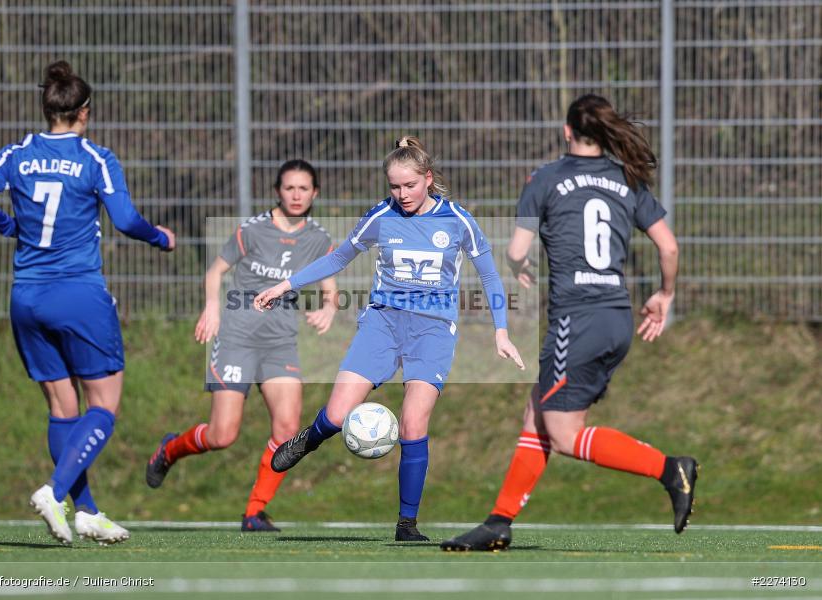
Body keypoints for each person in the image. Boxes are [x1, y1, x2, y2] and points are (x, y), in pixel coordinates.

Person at [440, 94, 698, 552]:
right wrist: (665, 294)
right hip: (616, 317)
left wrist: (520, 264)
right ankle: (499, 520)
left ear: (566, 132)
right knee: (537, 412)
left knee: (562, 432)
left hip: (575, 320)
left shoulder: (545, 179)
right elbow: (670, 247)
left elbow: (518, 250)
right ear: (604, 133)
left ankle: (669, 469)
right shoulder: (627, 178)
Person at [253, 136, 525, 541]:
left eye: (410, 186)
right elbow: (338, 257)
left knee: (413, 424)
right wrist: (284, 285)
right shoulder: (381, 215)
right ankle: (310, 438)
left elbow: (488, 274)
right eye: (394, 187)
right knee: (336, 415)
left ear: (427, 180)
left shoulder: (458, 220)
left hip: (433, 330)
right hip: (383, 322)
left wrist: (500, 330)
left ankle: (406, 525)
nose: (402, 194)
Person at [0, 61, 175, 546]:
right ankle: (55, 492)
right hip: (78, 294)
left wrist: (9, 226)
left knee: (62, 406)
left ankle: (88, 512)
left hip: (26, 296)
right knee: (105, 404)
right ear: (85, 112)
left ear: (48, 110)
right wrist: (160, 237)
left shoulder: (17, 153)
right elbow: (124, 219)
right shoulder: (95, 157)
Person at [145, 160, 337, 531]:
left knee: (286, 430)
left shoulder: (319, 239)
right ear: (277, 191)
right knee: (222, 435)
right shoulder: (253, 230)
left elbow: (330, 291)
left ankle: (254, 512)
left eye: (303, 188)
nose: (296, 195)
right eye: (289, 188)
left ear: (315, 193)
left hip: (280, 343)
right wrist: (212, 309)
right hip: (237, 338)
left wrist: (328, 309)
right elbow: (215, 271)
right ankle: (170, 449)